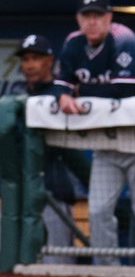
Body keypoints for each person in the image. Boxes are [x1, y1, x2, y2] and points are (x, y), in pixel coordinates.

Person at [54, 0, 135, 267]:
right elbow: (61, 85)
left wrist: (81, 95)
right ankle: (107, 275)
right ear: (78, 19)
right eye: (86, 16)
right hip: (106, 143)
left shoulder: (124, 38)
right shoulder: (73, 44)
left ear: (109, 17)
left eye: (98, 15)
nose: (92, 22)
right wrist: (64, 95)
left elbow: (125, 90)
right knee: (98, 210)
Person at [6, 34, 89, 264]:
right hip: (18, 194)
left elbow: (74, 155)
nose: (29, 65)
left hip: (54, 189)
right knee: (14, 265)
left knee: (57, 264)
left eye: (36, 58)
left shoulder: (61, 93)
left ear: (49, 60)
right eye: (25, 59)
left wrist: (90, 181)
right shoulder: (14, 92)